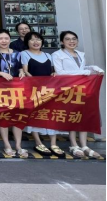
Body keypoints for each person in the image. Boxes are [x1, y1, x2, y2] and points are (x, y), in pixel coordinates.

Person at [53, 30, 105, 159]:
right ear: (62, 42)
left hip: (82, 89)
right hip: (67, 89)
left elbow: (81, 69)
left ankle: (84, 145)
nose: (71, 41)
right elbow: (60, 72)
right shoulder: (57, 54)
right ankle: (74, 145)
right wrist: (83, 73)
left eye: (74, 39)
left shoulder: (80, 54)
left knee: (83, 116)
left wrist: (92, 68)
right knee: (72, 116)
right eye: (67, 39)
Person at [21, 31, 63, 157]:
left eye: (38, 39)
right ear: (27, 42)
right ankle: (38, 142)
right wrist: (35, 83)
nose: (36, 42)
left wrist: (54, 74)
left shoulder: (48, 55)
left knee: (51, 115)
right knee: (35, 114)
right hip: (33, 89)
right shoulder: (24, 53)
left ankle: (53, 143)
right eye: (32, 40)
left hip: (49, 89)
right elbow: (26, 71)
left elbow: (52, 71)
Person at [0, 29, 28, 158]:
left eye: (6, 38)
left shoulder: (17, 53)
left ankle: (18, 146)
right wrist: (1, 73)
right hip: (0, 89)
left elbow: (20, 68)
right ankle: (7, 145)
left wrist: (21, 72)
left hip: (17, 89)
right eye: (0, 38)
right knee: (3, 116)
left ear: (10, 39)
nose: (4, 41)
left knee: (17, 116)